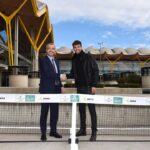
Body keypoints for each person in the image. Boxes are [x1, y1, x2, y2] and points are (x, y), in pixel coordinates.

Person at [62, 40, 99, 141]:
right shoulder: (74, 59)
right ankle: (83, 130)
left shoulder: (88, 57)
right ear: (73, 48)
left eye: (78, 47)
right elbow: (73, 73)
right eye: (75, 47)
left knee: (92, 111)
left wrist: (94, 85)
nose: (77, 48)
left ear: (81, 47)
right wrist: (66, 76)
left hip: (89, 87)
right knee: (81, 110)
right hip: (80, 88)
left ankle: (94, 132)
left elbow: (95, 70)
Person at [39, 43, 62, 141]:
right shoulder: (43, 60)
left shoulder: (56, 61)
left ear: (55, 50)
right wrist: (60, 77)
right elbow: (49, 74)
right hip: (46, 90)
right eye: (49, 48)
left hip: (56, 90)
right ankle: (43, 133)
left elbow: (57, 75)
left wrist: (61, 86)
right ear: (46, 50)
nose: (51, 50)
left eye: (53, 48)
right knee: (44, 112)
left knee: (54, 112)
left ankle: (53, 131)